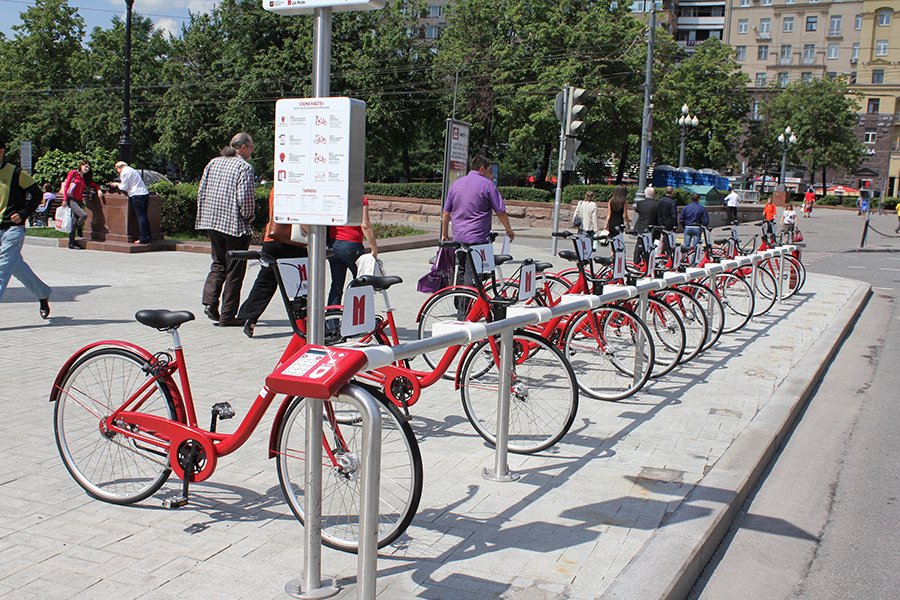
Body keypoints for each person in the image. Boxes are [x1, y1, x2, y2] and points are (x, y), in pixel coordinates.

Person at [196, 132, 256, 327]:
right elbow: (245, 199)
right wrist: (249, 218)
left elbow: (201, 191)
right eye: (251, 147)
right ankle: (228, 315)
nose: (253, 150)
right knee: (235, 271)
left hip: (212, 222)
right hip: (235, 226)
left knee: (218, 263)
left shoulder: (213, 163)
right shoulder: (243, 167)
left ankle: (210, 301)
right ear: (244, 147)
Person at [236, 187, 307, 337]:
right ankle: (303, 321)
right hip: (293, 241)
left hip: (272, 239)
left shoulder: (276, 188)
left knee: (266, 280)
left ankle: (250, 316)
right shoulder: (299, 188)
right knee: (301, 283)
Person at [440, 155, 515, 286]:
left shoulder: (456, 184)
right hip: (478, 238)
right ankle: (469, 303)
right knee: (474, 272)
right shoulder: (488, 185)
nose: (490, 176)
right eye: (489, 171)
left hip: (458, 238)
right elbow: (501, 212)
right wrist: (509, 230)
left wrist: (445, 234)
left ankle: (460, 302)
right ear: (482, 169)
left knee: (462, 269)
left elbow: (446, 213)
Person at [0, 136, 52, 318]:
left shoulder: (16, 173)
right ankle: (43, 293)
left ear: (1, 152)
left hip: (12, 230)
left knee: (2, 268)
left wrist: (23, 213)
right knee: (16, 268)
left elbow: (37, 194)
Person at [327, 195, 378, 306]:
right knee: (362, 282)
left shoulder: (335, 195)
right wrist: (374, 249)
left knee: (336, 285)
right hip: (352, 246)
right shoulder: (360, 198)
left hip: (333, 245)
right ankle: (357, 317)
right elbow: (365, 225)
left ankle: (331, 321)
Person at [61, 160, 105, 250]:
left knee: (73, 222)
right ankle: (79, 226)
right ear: (80, 166)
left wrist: (99, 190)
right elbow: (66, 186)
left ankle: (71, 243)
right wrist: (65, 199)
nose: (86, 169)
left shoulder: (85, 178)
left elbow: (94, 184)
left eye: (88, 167)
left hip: (79, 201)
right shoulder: (73, 173)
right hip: (71, 200)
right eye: (85, 166)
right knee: (83, 215)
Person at [107, 161, 151, 245]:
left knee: (140, 217)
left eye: (117, 169)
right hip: (144, 194)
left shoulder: (124, 172)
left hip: (136, 195)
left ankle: (143, 238)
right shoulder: (132, 170)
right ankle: (148, 236)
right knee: (144, 216)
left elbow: (124, 187)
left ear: (119, 167)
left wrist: (116, 184)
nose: (118, 172)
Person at [633, 185, 660, 262]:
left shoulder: (640, 203)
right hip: (652, 228)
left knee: (639, 246)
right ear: (653, 194)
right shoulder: (657, 204)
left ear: (645, 194)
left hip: (641, 227)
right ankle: (647, 261)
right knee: (649, 246)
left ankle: (636, 261)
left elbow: (637, 211)